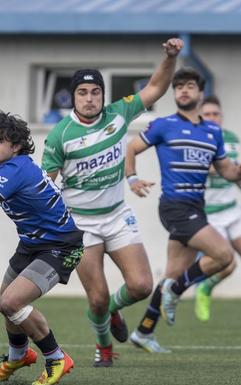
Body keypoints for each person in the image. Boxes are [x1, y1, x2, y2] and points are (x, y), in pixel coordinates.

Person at [41, 38, 183, 366]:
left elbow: (157, 87)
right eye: (82, 92)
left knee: (141, 285)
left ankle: (115, 314)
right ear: (74, 97)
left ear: (103, 95)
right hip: (80, 224)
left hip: (117, 216)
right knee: (98, 297)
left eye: (95, 92)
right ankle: (103, 346)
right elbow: (46, 184)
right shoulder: (60, 134)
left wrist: (170, 57)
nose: (89, 98)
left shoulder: (119, 113)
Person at [0, 109, 83, 385]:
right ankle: (18, 355)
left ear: (16, 145)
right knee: (7, 303)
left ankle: (57, 357)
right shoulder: (3, 167)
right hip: (32, 243)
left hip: (61, 246)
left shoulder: (17, 168)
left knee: (12, 302)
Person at [126, 68, 240, 352]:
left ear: (199, 93)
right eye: (178, 87)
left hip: (196, 208)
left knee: (173, 272)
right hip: (174, 207)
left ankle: (143, 331)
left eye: (189, 86)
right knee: (224, 256)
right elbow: (130, 147)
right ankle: (175, 293)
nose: (183, 91)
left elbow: (227, 171)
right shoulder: (163, 124)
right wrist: (132, 178)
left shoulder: (212, 132)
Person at [193, 95, 239, 321]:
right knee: (228, 262)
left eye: (215, 114)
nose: (212, 118)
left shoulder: (232, 139)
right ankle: (204, 288)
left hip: (232, 209)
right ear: (201, 116)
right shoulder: (196, 138)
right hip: (209, 214)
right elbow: (205, 168)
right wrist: (224, 167)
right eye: (207, 114)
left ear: (221, 117)